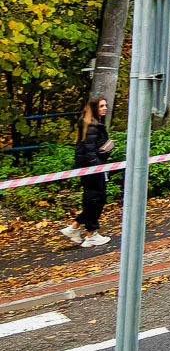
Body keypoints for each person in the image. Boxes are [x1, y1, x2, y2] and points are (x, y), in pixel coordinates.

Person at [61, 97, 113, 247]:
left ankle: (75, 227)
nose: (105, 108)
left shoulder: (91, 124)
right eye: (101, 106)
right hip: (93, 169)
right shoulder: (92, 126)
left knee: (92, 199)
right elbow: (88, 151)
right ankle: (91, 235)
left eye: (106, 105)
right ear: (94, 108)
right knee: (96, 200)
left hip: (90, 168)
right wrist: (97, 167)